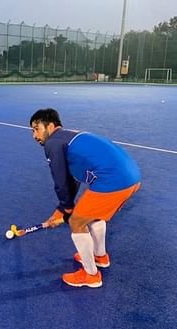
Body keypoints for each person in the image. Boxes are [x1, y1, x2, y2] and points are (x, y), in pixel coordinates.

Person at [30, 108, 141, 288]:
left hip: (113, 181)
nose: (34, 135)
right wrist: (63, 208)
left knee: (76, 222)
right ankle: (100, 257)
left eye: (36, 129)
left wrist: (67, 210)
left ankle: (91, 275)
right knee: (93, 215)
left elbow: (60, 181)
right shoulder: (69, 137)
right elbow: (73, 178)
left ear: (50, 126)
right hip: (131, 177)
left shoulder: (53, 143)